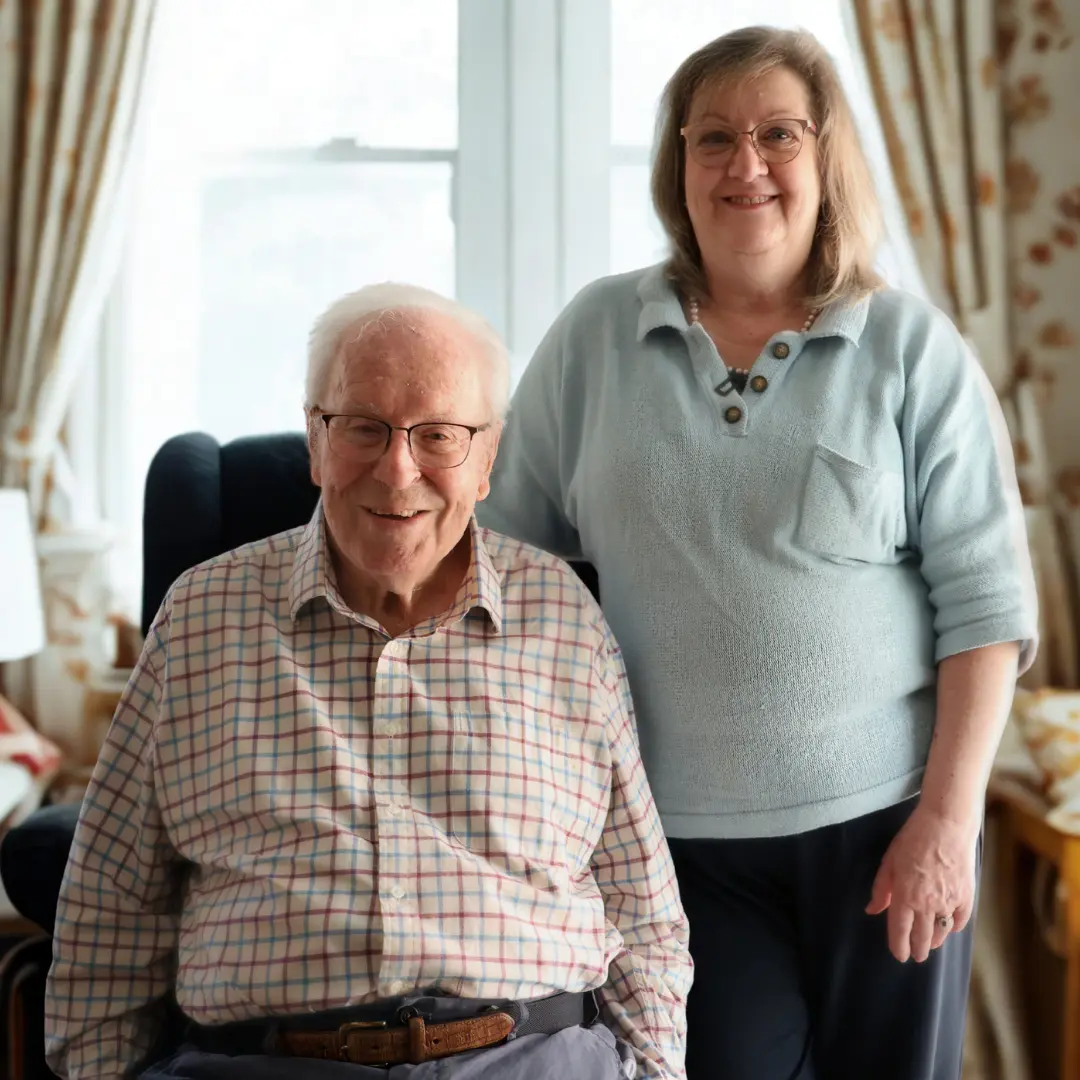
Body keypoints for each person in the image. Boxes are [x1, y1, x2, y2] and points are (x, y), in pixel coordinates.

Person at [478, 25, 1038, 1080]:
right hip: (671, 844)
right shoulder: (594, 338)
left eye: (779, 134)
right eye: (713, 138)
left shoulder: (911, 349)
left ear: (825, 161)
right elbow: (507, 574)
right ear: (675, 166)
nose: (746, 166)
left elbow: (986, 606)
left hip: (886, 829)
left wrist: (947, 821)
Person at [44, 283, 692, 1080]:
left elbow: (642, 909)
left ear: (487, 458)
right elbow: (108, 912)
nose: (397, 469)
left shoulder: (563, 617)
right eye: (364, 428)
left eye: (438, 435)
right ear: (315, 439)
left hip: (529, 1058)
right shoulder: (202, 617)